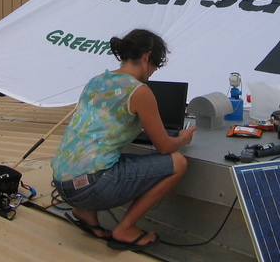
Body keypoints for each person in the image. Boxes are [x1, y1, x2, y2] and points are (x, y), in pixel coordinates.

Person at [50, 28, 196, 251]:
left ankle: (85, 213)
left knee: (112, 160)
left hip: (62, 183)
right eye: (156, 63)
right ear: (147, 57)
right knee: (178, 163)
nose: (155, 70)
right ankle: (126, 228)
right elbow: (165, 147)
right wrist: (183, 138)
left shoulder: (96, 81)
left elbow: (99, 128)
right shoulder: (139, 91)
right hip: (91, 187)